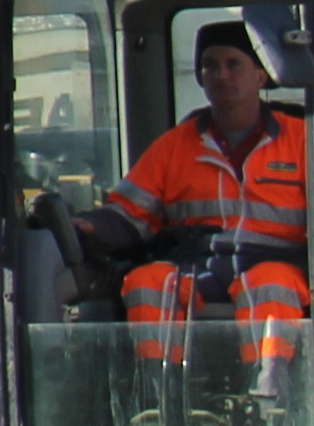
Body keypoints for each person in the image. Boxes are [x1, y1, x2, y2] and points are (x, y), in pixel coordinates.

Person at [81, 20, 307, 405]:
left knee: (271, 286)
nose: (221, 75)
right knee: (148, 281)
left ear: (261, 75)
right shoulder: (174, 146)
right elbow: (130, 215)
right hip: (195, 266)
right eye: (210, 65)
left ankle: (272, 400)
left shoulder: (302, 140)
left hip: (273, 263)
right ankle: (157, 398)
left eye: (234, 64)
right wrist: (84, 226)